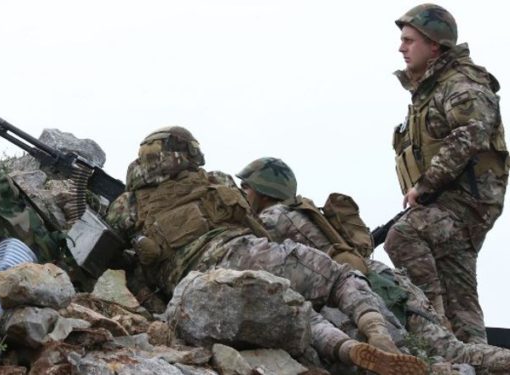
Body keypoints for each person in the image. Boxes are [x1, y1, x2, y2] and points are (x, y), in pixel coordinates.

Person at [105, 126, 428, 375]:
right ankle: (378, 335)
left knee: (296, 315)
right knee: (338, 278)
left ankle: (346, 349)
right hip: (243, 251)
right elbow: (251, 222)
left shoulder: (128, 205)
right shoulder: (213, 181)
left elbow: (111, 250)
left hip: (197, 289)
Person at [238, 156, 510, 374]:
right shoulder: (307, 214)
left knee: (425, 355)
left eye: (246, 188)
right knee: (454, 350)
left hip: (371, 294)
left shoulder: (273, 218)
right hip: (391, 284)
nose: (243, 194)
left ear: (263, 191)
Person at [387, 3, 509, 344]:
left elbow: (472, 133)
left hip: (465, 202)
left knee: (403, 237)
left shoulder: (461, 83)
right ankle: (479, 357)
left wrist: (426, 185)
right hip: (449, 204)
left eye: (409, 40)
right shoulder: (430, 90)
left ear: (435, 46)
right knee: (461, 300)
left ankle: (434, 333)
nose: (401, 47)